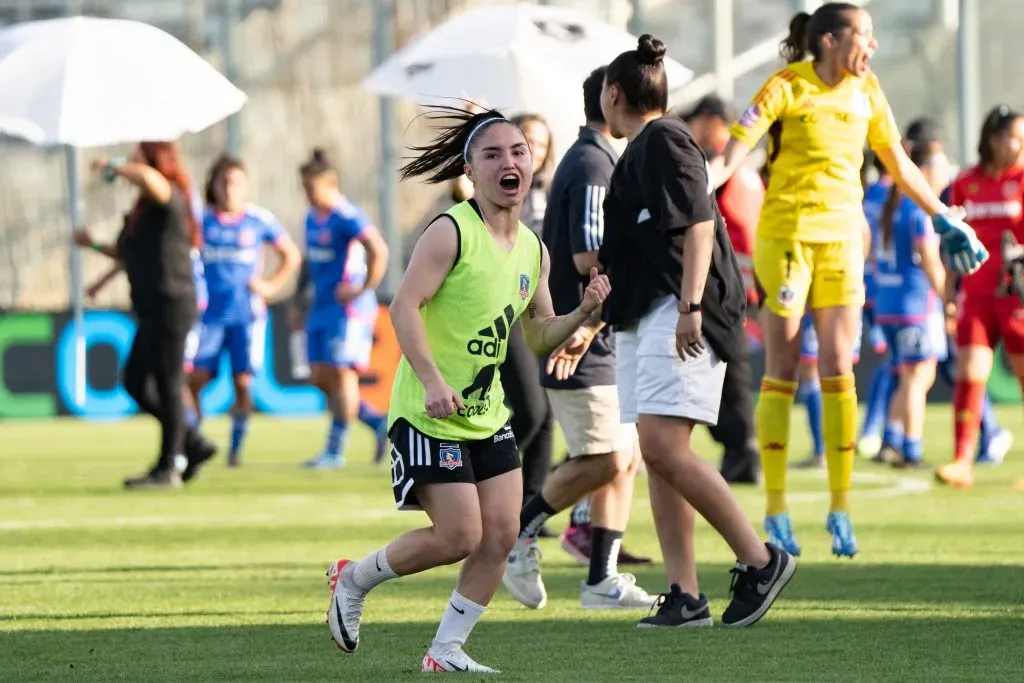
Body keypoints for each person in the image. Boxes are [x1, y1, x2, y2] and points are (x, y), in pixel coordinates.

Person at [324, 107, 611, 673]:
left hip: (484, 413)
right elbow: (402, 307)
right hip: (428, 414)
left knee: (501, 534)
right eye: (493, 154)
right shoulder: (451, 231)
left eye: (519, 152)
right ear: (470, 172)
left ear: (534, 164)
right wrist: (431, 380)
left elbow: (535, 335)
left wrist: (581, 312)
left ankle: (445, 650)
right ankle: (353, 579)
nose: (510, 162)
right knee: (459, 534)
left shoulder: (534, 248)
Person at [714, 3, 986, 557]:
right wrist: (698, 188)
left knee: (840, 365)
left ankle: (840, 509)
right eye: (866, 35)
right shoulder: (785, 86)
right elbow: (732, 153)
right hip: (786, 240)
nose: (874, 45)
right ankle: (776, 510)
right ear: (833, 40)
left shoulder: (868, 91)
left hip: (842, 242)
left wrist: (942, 216)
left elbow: (900, 166)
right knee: (785, 367)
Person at [596, 34, 796, 629]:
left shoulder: (665, 138)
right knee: (660, 457)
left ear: (613, 94)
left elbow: (700, 222)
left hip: (680, 311)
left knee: (662, 448)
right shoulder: (641, 148)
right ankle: (684, 595)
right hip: (647, 312)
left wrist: (689, 307)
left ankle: (760, 560)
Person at [502, 66, 654, 612]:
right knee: (607, 458)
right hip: (580, 340)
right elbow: (590, 259)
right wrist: (589, 325)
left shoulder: (596, 159)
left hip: (599, 338)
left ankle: (601, 579)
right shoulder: (592, 164)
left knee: (623, 456)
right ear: (612, 100)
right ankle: (516, 536)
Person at [72, 142, 216, 488]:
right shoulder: (144, 209)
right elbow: (129, 254)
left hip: (172, 301)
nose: (134, 161)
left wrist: (114, 165)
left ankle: (170, 465)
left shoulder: (169, 195)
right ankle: (190, 442)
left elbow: (151, 180)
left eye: (139, 155)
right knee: (135, 380)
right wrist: (92, 250)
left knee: (168, 382)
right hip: (153, 306)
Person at [188, 155, 300, 466]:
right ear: (213, 185)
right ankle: (194, 439)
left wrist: (270, 286)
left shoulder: (258, 219)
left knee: (242, 383)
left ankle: (236, 448)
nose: (229, 189)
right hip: (209, 316)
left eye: (235, 183)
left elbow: (290, 255)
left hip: (246, 317)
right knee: (194, 379)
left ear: (245, 186)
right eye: (223, 182)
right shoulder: (201, 220)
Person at [936, 105, 1024, 489]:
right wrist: (948, 292)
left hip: (1016, 295)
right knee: (970, 375)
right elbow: (950, 241)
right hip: (976, 293)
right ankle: (961, 461)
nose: (1020, 144)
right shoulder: (965, 183)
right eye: (1013, 136)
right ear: (993, 139)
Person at [682, 95, 763, 484]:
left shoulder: (717, 163)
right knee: (731, 371)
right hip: (739, 284)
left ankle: (742, 449)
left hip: (715, 282)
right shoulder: (746, 168)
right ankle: (742, 448)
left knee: (725, 373)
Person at [297, 148, 389, 469]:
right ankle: (379, 424)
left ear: (331, 183)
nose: (308, 194)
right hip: (320, 308)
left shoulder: (347, 216)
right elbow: (308, 264)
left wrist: (363, 289)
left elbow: (378, 249)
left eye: (312, 187)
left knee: (341, 374)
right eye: (305, 188)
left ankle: (334, 453)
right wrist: (298, 301)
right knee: (320, 377)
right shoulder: (310, 218)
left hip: (348, 310)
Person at [871, 134, 949, 468]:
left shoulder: (890, 200)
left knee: (908, 376)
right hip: (915, 304)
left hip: (888, 303)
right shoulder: (918, 207)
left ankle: (891, 437)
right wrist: (948, 296)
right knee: (918, 377)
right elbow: (929, 257)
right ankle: (911, 449)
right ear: (925, 168)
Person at [501, 113, 556, 521]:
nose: (533, 151)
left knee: (546, 415)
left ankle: (530, 508)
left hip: (542, 308)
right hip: (507, 312)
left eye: (538, 144)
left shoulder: (550, 190)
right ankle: (485, 477)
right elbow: (460, 187)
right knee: (531, 411)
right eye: (524, 143)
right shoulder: (499, 188)